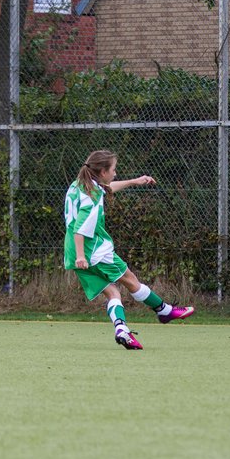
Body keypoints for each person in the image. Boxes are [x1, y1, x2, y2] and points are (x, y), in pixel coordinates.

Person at [64, 149, 193, 350]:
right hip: (93, 251)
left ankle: (122, 330)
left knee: (113, 292)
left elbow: (108, 188)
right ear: (103, 171)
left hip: (72, 252)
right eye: (113, 169)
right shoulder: (93, 197)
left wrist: (135, 181)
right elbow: (81, 227)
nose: (115, 173)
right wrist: (83, 255)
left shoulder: (79, 185)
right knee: (131, 281)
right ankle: (163, 310)